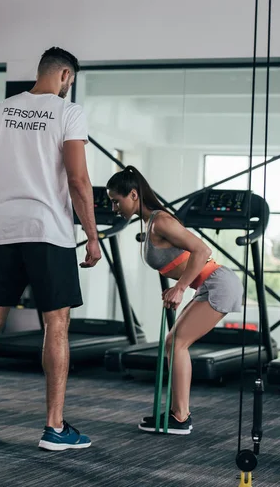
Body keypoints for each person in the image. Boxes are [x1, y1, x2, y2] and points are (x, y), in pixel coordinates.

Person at [0, 46, 101, 451]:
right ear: (66, 76)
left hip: (6, 230)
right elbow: (78, 180)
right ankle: (54, 428)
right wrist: (91, 235)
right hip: (49, 231)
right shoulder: (68, 112)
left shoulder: (1, 110)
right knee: (56, 325)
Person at [106, 166, 243, 435]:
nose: (114, 208)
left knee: (177, 343)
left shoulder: (160, 221)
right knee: (173, 343)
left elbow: (202, 250)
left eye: (115, 201)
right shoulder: (150, 223)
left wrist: (179, 288)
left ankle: (181, 417)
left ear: (133, 194)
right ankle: (178, 413)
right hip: (206, 286)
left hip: (218, 283)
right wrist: (181, 287)